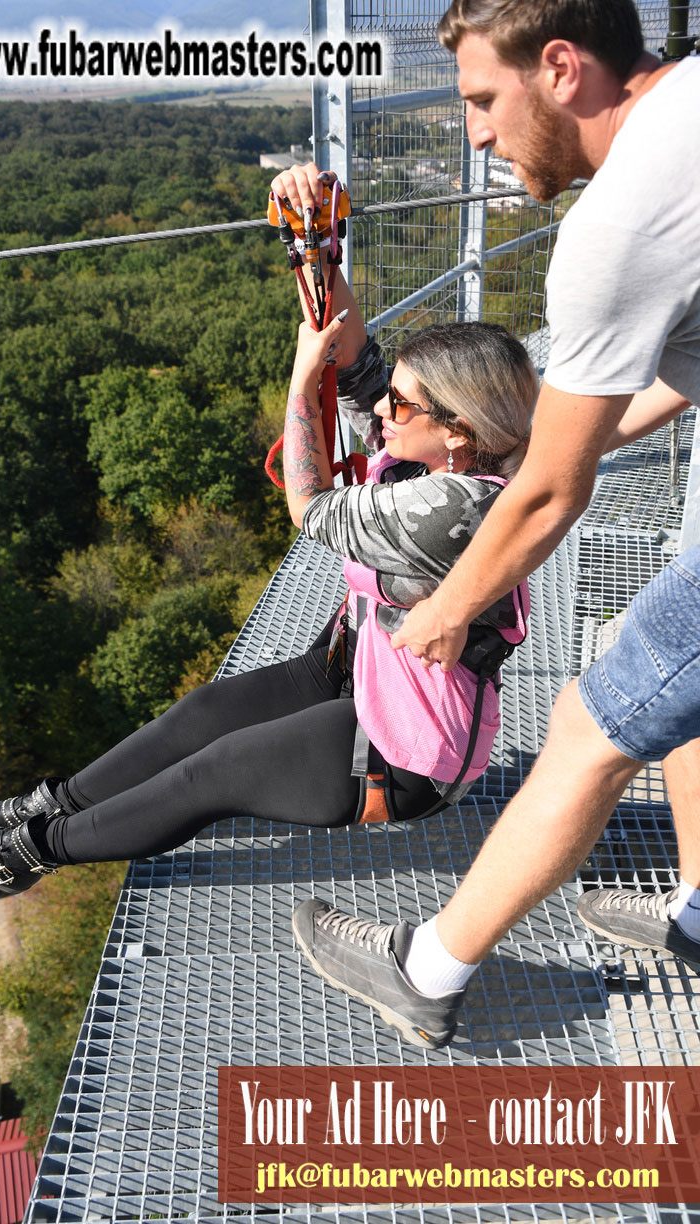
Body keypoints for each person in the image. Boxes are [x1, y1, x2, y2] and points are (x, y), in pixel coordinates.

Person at [0, 250, 536, 1049]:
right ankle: (39, 805)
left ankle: (20, 852)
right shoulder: (444, 452)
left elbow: (309, 504)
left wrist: (295, 379)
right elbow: (357, 362)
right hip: (359, 671)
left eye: (401, 406)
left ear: (458, 428)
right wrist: (318, 248)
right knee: (205, 711)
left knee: (210, 774)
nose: (382, 411)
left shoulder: (451, 510)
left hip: (404, 753)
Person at [290, 0, 700, 1050]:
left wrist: (446, 613)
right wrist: (546, 447)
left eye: (482, 98)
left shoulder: (619, 221)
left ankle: (428, 970)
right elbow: (666, 381)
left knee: (597, 717)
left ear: (560, 68)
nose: (473, 131)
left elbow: (552, 501)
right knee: (675, 678)